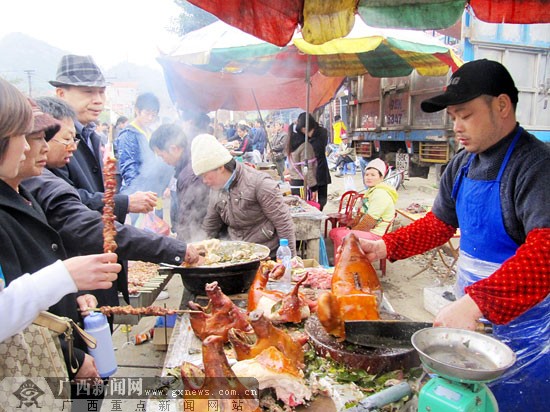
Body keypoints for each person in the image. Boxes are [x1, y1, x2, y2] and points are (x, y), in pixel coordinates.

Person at [356, 59, 550, 411]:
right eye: (454, 118)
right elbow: (439, 224)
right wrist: (385, 245)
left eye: (466, 115)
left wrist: (478, 302)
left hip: (529, 328)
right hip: (472, 318)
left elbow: (545, 255)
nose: (457, 127)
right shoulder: (461, 164)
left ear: (502, 105)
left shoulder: (537, 166)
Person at [0, 95, 122, 385]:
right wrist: (65, 277)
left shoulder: (24, 195)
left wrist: (71, 294)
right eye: (24, 137)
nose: (31, 147)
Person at [49, 54, 157, 221]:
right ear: (61, 94)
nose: (99, 100)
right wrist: (124, 203)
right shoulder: (52, 138)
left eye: (102, 92)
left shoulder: (93, 136)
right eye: (88, 92)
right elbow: (64, 198)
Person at [191, 134, 296, 257]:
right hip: (238, 255)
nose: (204, 181)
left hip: (266, 255)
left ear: (220, 167)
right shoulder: (216, 189)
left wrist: (290, 262)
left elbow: (284, 224)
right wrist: (195, 250)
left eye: (205, 175)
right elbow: (210, 225)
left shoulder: (259, 183)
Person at [149, 123, 209, 241]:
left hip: (200, 237)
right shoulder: (184, 165)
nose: (162, 160)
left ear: (174, 148)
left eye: (161, 155)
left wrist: (180, 245)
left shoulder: (189, 174)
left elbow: (191, 216)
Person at [329, 159, 397, 254]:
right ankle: (345, 260)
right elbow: (361, 215)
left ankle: (346, 263)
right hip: (368, 230)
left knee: (341, 235)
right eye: (367, 174)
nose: (368, 178)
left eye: (373, 175)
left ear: (381, 178)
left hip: (376, 234)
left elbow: (369, 221)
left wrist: (352, 232)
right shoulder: (371, 191)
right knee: (334, 232)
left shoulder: (381, 193)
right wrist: (350, 227)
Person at [116, 92, 173, 199]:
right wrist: (135, 195)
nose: (150, 118)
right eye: (147, 113)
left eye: (154, 114)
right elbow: (129, 168)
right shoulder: (128, 134)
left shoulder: (150, 131)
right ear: (137, 111)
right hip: (138, 194)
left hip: (154, 190)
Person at [296, 112, 331, 210]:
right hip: (308, 171)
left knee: (322, 200)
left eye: (303, 128)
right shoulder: (303, 137)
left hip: (320, 169)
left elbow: (318, 151)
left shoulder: (322, 133)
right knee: (307, 200)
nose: (302, 130)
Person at [285, 123, 317, 200]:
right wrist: (313, 187)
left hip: (294, 184)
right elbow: (307, 169)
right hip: (303, 186)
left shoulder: (291, 145)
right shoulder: (305, 146)